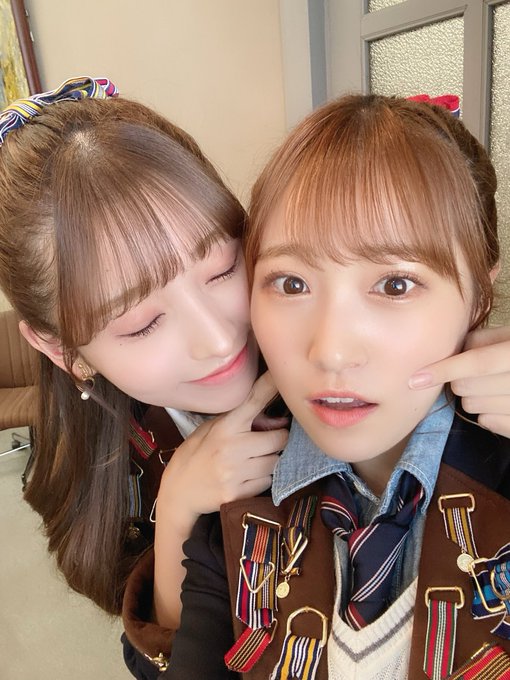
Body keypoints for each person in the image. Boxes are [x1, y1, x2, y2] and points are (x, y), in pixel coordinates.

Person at [1, 80, 510, 678]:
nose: (219, 342)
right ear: (63, 351)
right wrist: (177, 514)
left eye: (222, 270)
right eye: (140, 324)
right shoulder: (150, 484)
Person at [159, 94, 510, 679]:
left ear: (478, 296)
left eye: (395, 285)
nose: (331, 351)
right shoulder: (238, 499)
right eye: (290, 283)